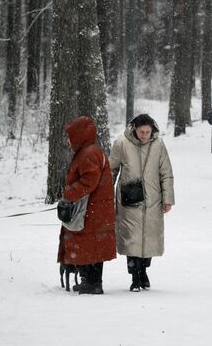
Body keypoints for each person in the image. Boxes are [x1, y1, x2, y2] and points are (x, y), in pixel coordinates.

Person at [109, 114, 175, 291]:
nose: (144, 135)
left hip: (153, 199)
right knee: (132, 239)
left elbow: (166, 172)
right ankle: (135, 277)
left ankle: (143, 269)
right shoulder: (121, 143)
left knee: (149, 238)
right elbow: (111, 170)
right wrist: (106, 195)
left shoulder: (159, 144)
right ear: (134, 129)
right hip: (128, 199)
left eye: (147, 132)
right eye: (141, 132)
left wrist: (168, 199)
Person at [57, 116, 116, 295]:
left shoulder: (88, 153)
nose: (69, 140)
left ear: (80, 135)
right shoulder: (91, 151)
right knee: (94, 246)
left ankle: (90, 283)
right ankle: (93, 282)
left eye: (71, 135)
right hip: (96, 209)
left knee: (83, 243)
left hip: (91, 210)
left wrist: (68, 193)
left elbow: (89, 181)